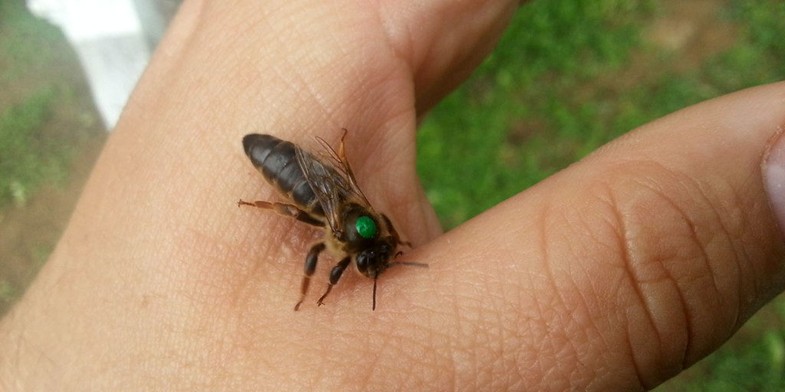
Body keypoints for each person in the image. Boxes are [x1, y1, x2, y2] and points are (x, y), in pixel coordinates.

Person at [2, 0, 784, 389]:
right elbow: (326, 231)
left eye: (367, 257)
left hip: (314, 169)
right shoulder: (340, 227)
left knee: (308, 196)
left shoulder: (361, 223)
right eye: (366, 253)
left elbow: (351, 223)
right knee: (294, 206)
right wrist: (313, 298)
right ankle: (268, 197)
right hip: (293, 170)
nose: (365, 256)